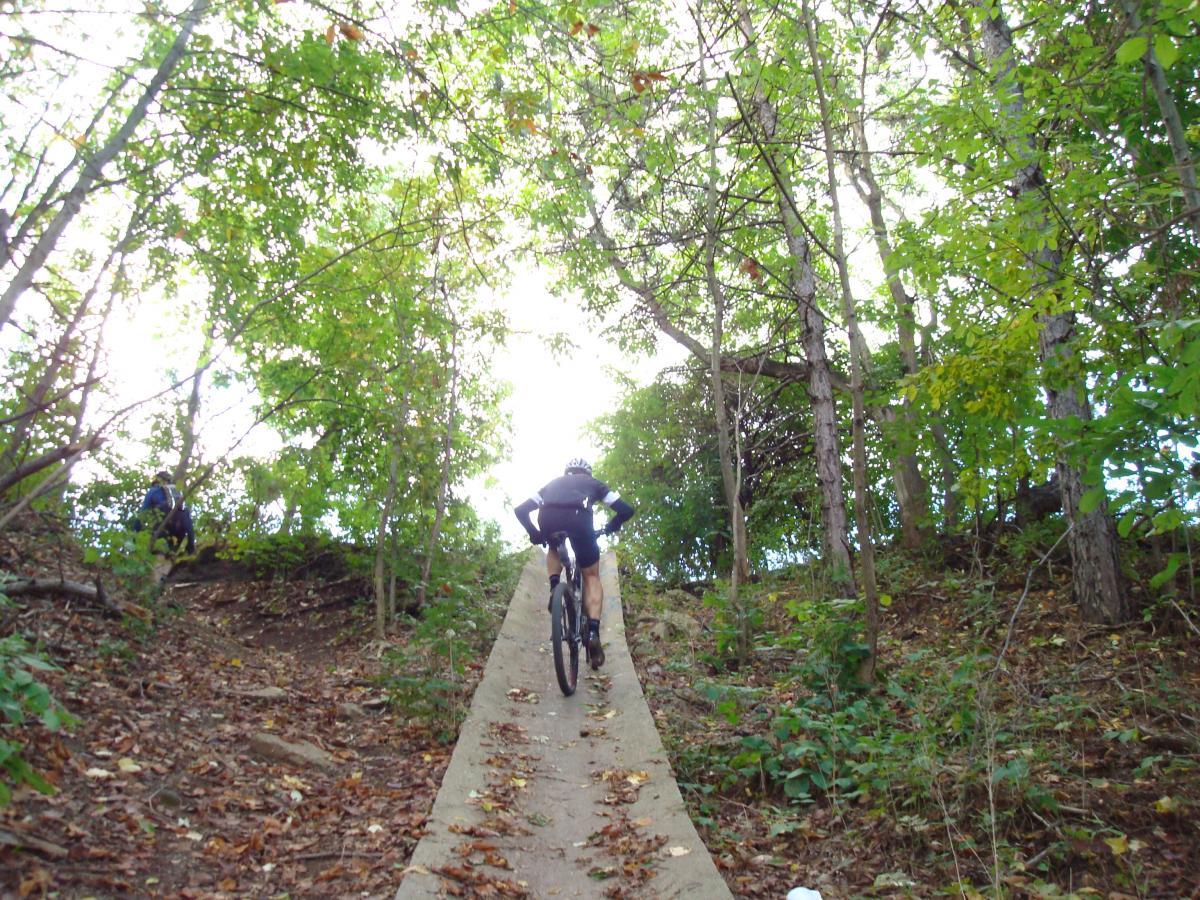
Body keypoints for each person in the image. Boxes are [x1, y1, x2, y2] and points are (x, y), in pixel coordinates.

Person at [514, 458, 635, 670]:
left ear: (566, 472)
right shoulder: (594, 484)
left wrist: (534, 533)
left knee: (553, 547)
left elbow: (521, 510)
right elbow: (626, 510)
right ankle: (593, 632)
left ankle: (554, 589)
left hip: (549, 518)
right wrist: (611, 526)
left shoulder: (552, 484)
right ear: (586, 473)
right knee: (591, 576)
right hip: (579, 520)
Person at [134, 470, 196, 555]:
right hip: (182, 528)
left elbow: (142, 512)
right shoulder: (178, 493)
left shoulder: (153, 490)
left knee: (158, 551)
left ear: (157, 481)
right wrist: (191, 541)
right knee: (172, 552)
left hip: (165, 524)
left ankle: (161, 556)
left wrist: (136, 533)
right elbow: (187, 514)